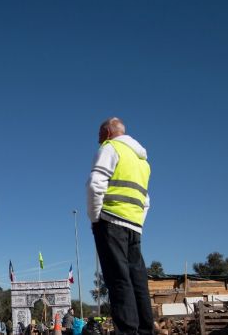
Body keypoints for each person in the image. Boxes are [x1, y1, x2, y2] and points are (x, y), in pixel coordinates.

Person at [87, 117, 153, 335]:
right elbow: (146, 200)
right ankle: (145, 329)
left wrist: (95, 217)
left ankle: (126, 331)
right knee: (138, 281)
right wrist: (138, 223)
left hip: (111, 221)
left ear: (107, 133)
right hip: (134, 226)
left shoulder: (110, 148)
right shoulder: (142, 162)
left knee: (118, 280)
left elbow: (96, 184)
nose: (98, 139)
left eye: (99, 134)